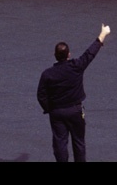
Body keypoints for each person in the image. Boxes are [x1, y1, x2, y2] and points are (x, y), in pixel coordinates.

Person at [37, 23, 110, 162]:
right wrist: (103, 34)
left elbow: (41, 95)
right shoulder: (76, 66)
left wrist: (49, 108)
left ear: (55, 55)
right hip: (75, 110)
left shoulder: (47, 74)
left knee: (60, 143)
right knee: (79, 142)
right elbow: (90, 54)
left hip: (57, 112)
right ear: (69, 55)